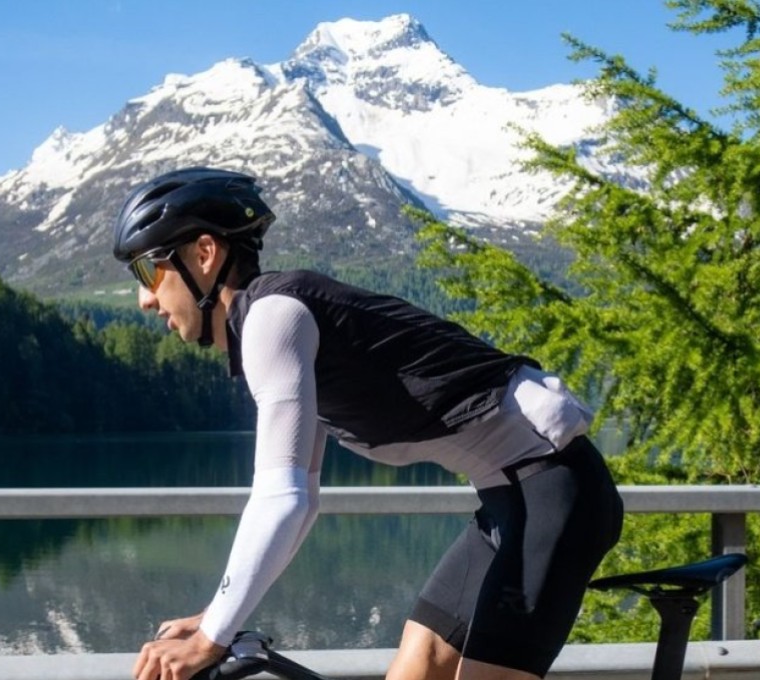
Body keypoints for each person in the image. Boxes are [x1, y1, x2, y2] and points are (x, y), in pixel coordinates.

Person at [116, 167, 624, 680]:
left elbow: (281, 500)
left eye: (148, 272)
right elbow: (302, 499)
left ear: (204, 254)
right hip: (506, 503)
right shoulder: (279, 322)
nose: (145, 298)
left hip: (555, 496)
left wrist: (211, 638)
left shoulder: (274, 316)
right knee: (417, 666)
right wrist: (218, 618)